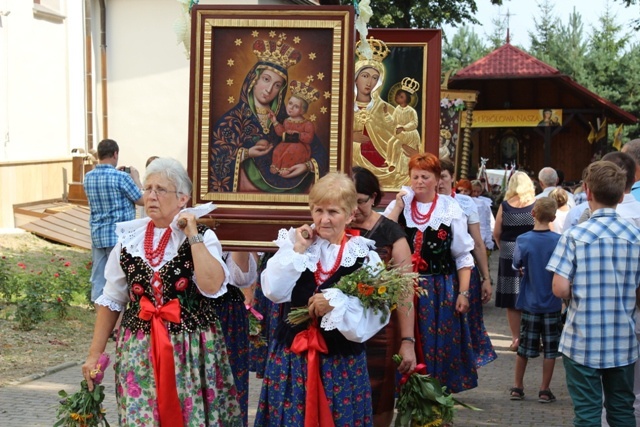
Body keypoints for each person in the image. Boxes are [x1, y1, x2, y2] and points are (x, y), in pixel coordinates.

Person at [81, 157, 242, 426]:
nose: (151, 196)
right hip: (139, 350)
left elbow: (213, 286)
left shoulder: (201, 237)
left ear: (183, 199)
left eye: (160, 190)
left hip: (191, 349)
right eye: (148, 189)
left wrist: (193, 234)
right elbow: (111, 300)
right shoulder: (129, 240)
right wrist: (94, 354)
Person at [255, 172, 388, 426]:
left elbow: (376, 315)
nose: (324, 219)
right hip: (293, 360)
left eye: (333, 212)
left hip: (340, 364)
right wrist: (298, 249)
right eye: (318, 211)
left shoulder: (364, 256)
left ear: (350, 214)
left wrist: (337, 305)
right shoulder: (297, 245)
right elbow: (273, 290)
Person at [547, 160, 640, 426]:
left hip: (581, 340)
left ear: (587, 191)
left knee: (587, 414)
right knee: (622, 410)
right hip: (623, 339)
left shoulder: (575, 236)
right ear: (622, 194)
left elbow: (560, 288)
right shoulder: (636, 237)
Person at [385, 153, 478, 393]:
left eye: (425, 176)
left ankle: (436, 402)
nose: (419, 181)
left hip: (439, 291)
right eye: (415, 176)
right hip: (402, 289)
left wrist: (464, 293)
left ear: (437, 179)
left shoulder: (450, 208)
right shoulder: (400, 205)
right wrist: (397, 206)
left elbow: (462, 255)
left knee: (437, 348)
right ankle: (405, 398)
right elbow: (380, 238)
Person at [208, 38, 327, 193]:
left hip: (293, 187)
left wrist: (306, 166)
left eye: (277, 85)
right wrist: (247, 153)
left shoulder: (288, 119)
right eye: (266, 79)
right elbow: (216, 156)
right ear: (253, 80)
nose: (269, 89)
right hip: (247, 195)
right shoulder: (232, 120)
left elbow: (320, 152)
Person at [351, 166, 415, 427]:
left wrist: (407, 341)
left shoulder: (391, 233)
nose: (353, 209)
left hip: (380, 330)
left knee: (379, 396)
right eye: (347, 202)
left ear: (375, 198)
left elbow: (405, 290)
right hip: (337, 331)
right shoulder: (332, 229)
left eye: (360, 201)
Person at [438, 159, 497, 369]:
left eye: (443, 177)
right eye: (435, 177)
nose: (439, 182)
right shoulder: (420, 204)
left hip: (463, 271)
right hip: (436, 274)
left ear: (452, 178)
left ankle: (462, 368)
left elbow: (478, 244)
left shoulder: (465, 203)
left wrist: (486, 278)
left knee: (465, 324)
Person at [509, 197, 562, 403]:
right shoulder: (559, 240)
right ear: (553, 217)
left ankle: (517, 386)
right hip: (552, 301)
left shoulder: (523, 239)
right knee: (550, 349)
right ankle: (544, 389)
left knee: (524, 347)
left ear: (532, 213)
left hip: (530, 301)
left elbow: (516, 264)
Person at [83, 139, 143, 306]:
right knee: (119, 281)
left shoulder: (88, 177)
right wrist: (136, 179)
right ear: (115, 154)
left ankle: (102, 322)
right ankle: (117, 327)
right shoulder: (122, 177)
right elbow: (141, 200)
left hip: (98, 235)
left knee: (99, 280)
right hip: (119, 237)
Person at [353, 38, 409, 188]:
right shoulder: (345, 108)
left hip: (385, 166)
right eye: (365, 76)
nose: (369, 82)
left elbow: (401, 137)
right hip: (352, 166)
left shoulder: (386, 108)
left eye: (375, 78)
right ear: (355, 78)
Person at [212, 251, 258, 426]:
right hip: (182, 313)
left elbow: (240, 278)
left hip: (225, 312)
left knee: (228, 385)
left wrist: (240, 233)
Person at [493, 171, 536, 352]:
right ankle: (532, 337)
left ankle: (516, 338)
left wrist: (503, 248)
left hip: (509, 252)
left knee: (512, 298)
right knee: (532, 293)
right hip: (531, 252)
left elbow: (496, 231)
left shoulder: (505, 205)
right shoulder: (535, 205)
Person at [268, 79, 318, 176]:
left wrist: (298, 135)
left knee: (292, 150)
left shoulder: (307, 124)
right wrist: (274, 121)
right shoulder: (287, 121)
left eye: (296, 106)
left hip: (300, 147)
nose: (291, 107)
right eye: (290, 104)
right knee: (277, 150)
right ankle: (277, 166)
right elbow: (281, 133)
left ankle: (288, 169)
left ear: (302, 110)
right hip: (286, 143)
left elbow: (309, 138)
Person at [382, 78, 421, 172]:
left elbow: (414, 123)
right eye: (397, 96)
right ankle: (388, 161)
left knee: (396, 144)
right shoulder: (397, 109)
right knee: (390, 142)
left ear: (407, 98)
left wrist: (403, 128)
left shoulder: (411, 111)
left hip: (410, 134)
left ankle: (393, 165)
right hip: (399, 133)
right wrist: (386, 113)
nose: (397, 97)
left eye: (401, 96)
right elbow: (394, 122)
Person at [470, 179, 496, 252]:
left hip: (482, 235)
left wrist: (488, 240)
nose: (476, 194)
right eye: (474, 191)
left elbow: (487, 222)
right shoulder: (466, 202)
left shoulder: (484, 203)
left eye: (478, 192)